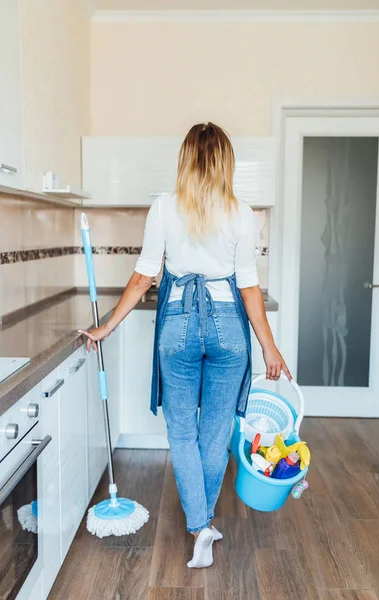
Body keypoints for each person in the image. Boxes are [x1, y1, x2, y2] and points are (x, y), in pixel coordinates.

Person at [80, 122, 291, 569]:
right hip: (230, 330)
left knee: (182, 431)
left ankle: (199, 526)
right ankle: (202, 522)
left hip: (176, 326)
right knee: (216, 431)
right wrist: (269, 348)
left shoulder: (164, 208)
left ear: (185, 161)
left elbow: (143, 277)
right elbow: (249, 289)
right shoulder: (242, 213)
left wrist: (106, 327)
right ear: (224, 164)